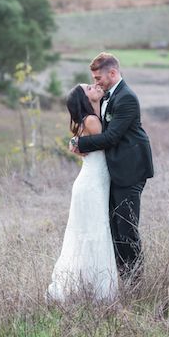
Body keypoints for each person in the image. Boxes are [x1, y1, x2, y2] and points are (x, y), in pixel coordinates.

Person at [70, 52, 154, 285]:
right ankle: (123, 278)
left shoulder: (126, 97)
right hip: (113, 172)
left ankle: (135, 282)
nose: (96, 82)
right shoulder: (108, 97)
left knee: (126, 229)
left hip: (130, 170)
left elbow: (113, 136)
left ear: (113, 73)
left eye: (99, 77)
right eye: (94, 78)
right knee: (115, 229)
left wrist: (79, 143)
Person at [46, 83, 118, 302]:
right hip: (93, 183)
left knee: (87, 234)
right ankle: (99, 290)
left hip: (90, 181)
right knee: (96, 232)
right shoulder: (91, 120)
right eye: (88, 87)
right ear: (85, 99)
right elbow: (108, 142)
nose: (93, 85)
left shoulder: (84, 121)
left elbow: (86, 146)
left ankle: (82, 285)